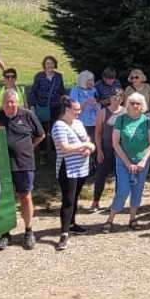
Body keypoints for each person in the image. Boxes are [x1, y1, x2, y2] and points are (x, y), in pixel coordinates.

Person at [0, 89, 45, 250]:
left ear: (18, 102)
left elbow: (41, 135)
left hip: (24, 164)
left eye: (13, 102)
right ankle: (5, 233)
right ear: (2, 103)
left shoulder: (27, 115)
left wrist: (28, 147)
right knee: (5, 199)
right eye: (7, 102)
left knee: (25, 197)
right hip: (2, 164)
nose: (10, 105)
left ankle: (28, 231)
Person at [51, 98, 95, 250]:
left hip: (81, 167)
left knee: (76, 197)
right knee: (68, 200)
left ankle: (72, 223)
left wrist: (89, 148)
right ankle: (64, 233)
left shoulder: (78, 123)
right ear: (66, 110)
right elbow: (64, 148)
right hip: (67, 168)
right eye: (76, 110)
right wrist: (84, 145)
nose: (79, 113)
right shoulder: (58, 126)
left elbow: (86, 138)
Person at [110, 93, 150, 228]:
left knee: (137, 190)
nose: (135, 106)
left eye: (138, 103)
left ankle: (133, 219)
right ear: (127, 104)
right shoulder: (121, 119)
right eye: (132, 103)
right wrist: (128, 163)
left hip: (141, 162)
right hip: (123, 161)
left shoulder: (146, 121)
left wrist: (143, 161)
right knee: (123, 190)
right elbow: (115, 143)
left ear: (142, 106)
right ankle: (110, 219)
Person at [89, 91, 123, 213]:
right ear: (110, 98)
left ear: (122, 99)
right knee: (100, 175)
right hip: (106, 148)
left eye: (119, 97)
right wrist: (99, 150)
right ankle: (95, 201)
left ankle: (116, 202)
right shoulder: (103, 112)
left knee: (120, 177)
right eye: (114, 97)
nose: (116, 100)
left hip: (120, 150)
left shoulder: (125, 112)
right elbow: (97, 133)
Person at [28, 56, 66, 129]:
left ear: (55, 64)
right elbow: (33, 92)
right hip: (42, 107)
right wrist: (32, 106)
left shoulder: (59, 76)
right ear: (44, 65)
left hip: (55, 108)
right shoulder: (39, 76)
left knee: (55, 129)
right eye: (47, 63)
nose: (50, 65)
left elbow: (62, 91)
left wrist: (63, 105)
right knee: (42, 129)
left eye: (52, 63)